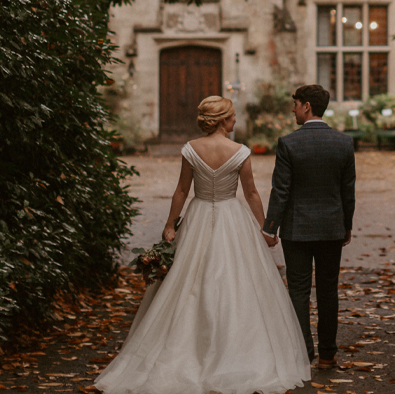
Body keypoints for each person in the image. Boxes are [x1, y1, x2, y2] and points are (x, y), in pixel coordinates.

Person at [95, 96, 310, 394]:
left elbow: (182, 190)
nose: (235, 121)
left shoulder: (191, 148)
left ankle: (184, 346)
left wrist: (171, 223)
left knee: (188, 282)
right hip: (231, 217)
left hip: (197, 215)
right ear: (222, 120)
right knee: (237, 283)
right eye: (232, 117)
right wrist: (265, 228)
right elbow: (251, 194)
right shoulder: (240, 151)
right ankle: (236, 353)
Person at [263, 85, 356, 369]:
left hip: (297, 230)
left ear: (306, 107)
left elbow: (281, 190)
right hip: (331, 228)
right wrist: (346, 226)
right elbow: (348, 191)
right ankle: (328, 355)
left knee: (299, 292)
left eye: (295, 104)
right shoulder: (343, 142)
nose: (293, 109)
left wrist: (270, 227)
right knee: (329, 290)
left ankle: (303, 354)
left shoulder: (288, 143)